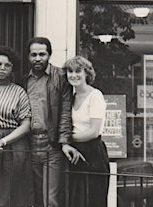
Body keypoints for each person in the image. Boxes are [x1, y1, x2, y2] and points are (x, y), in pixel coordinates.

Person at [0, 46, 33, 207]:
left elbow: (26, 125)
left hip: (13, 145)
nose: (2, 68)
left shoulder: (19, 92)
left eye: (7, 65)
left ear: (13, 68)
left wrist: (2, 142)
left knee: (11, 190)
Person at [24, 37, 73, 207]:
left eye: (42, 54)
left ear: (49, 55)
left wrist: (64, 140)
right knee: (35, 196)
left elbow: (66, 112)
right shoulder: (24, 80)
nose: (38, 58)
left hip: (51, 145)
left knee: (50, 198)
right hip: (30, 144)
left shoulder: (61, 77)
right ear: (28, 57)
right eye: (33, 54)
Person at [62, 56, 110, 207]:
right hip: (73, 153)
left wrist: (66, 139)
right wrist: (66, 144)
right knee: (75, 199)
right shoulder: (70, 97)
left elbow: (93, 132)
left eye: (78, 71)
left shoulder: (95, 96)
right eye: (70, 71)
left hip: (93, 153)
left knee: (93, 199)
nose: (73, 75)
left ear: (87, 74)